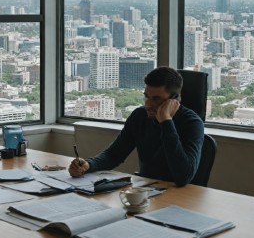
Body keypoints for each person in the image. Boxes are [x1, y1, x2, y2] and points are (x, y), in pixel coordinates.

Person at [68, 67, 204, 186]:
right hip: (147, 191)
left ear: (174, 99)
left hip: (180, 197)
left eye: (156, 99)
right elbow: (114, 155)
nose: (148, 105)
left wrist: (166, 121)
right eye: (146, 97)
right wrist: (89, 164)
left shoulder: (192, 123)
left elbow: (183, 177)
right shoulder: (140, 116)